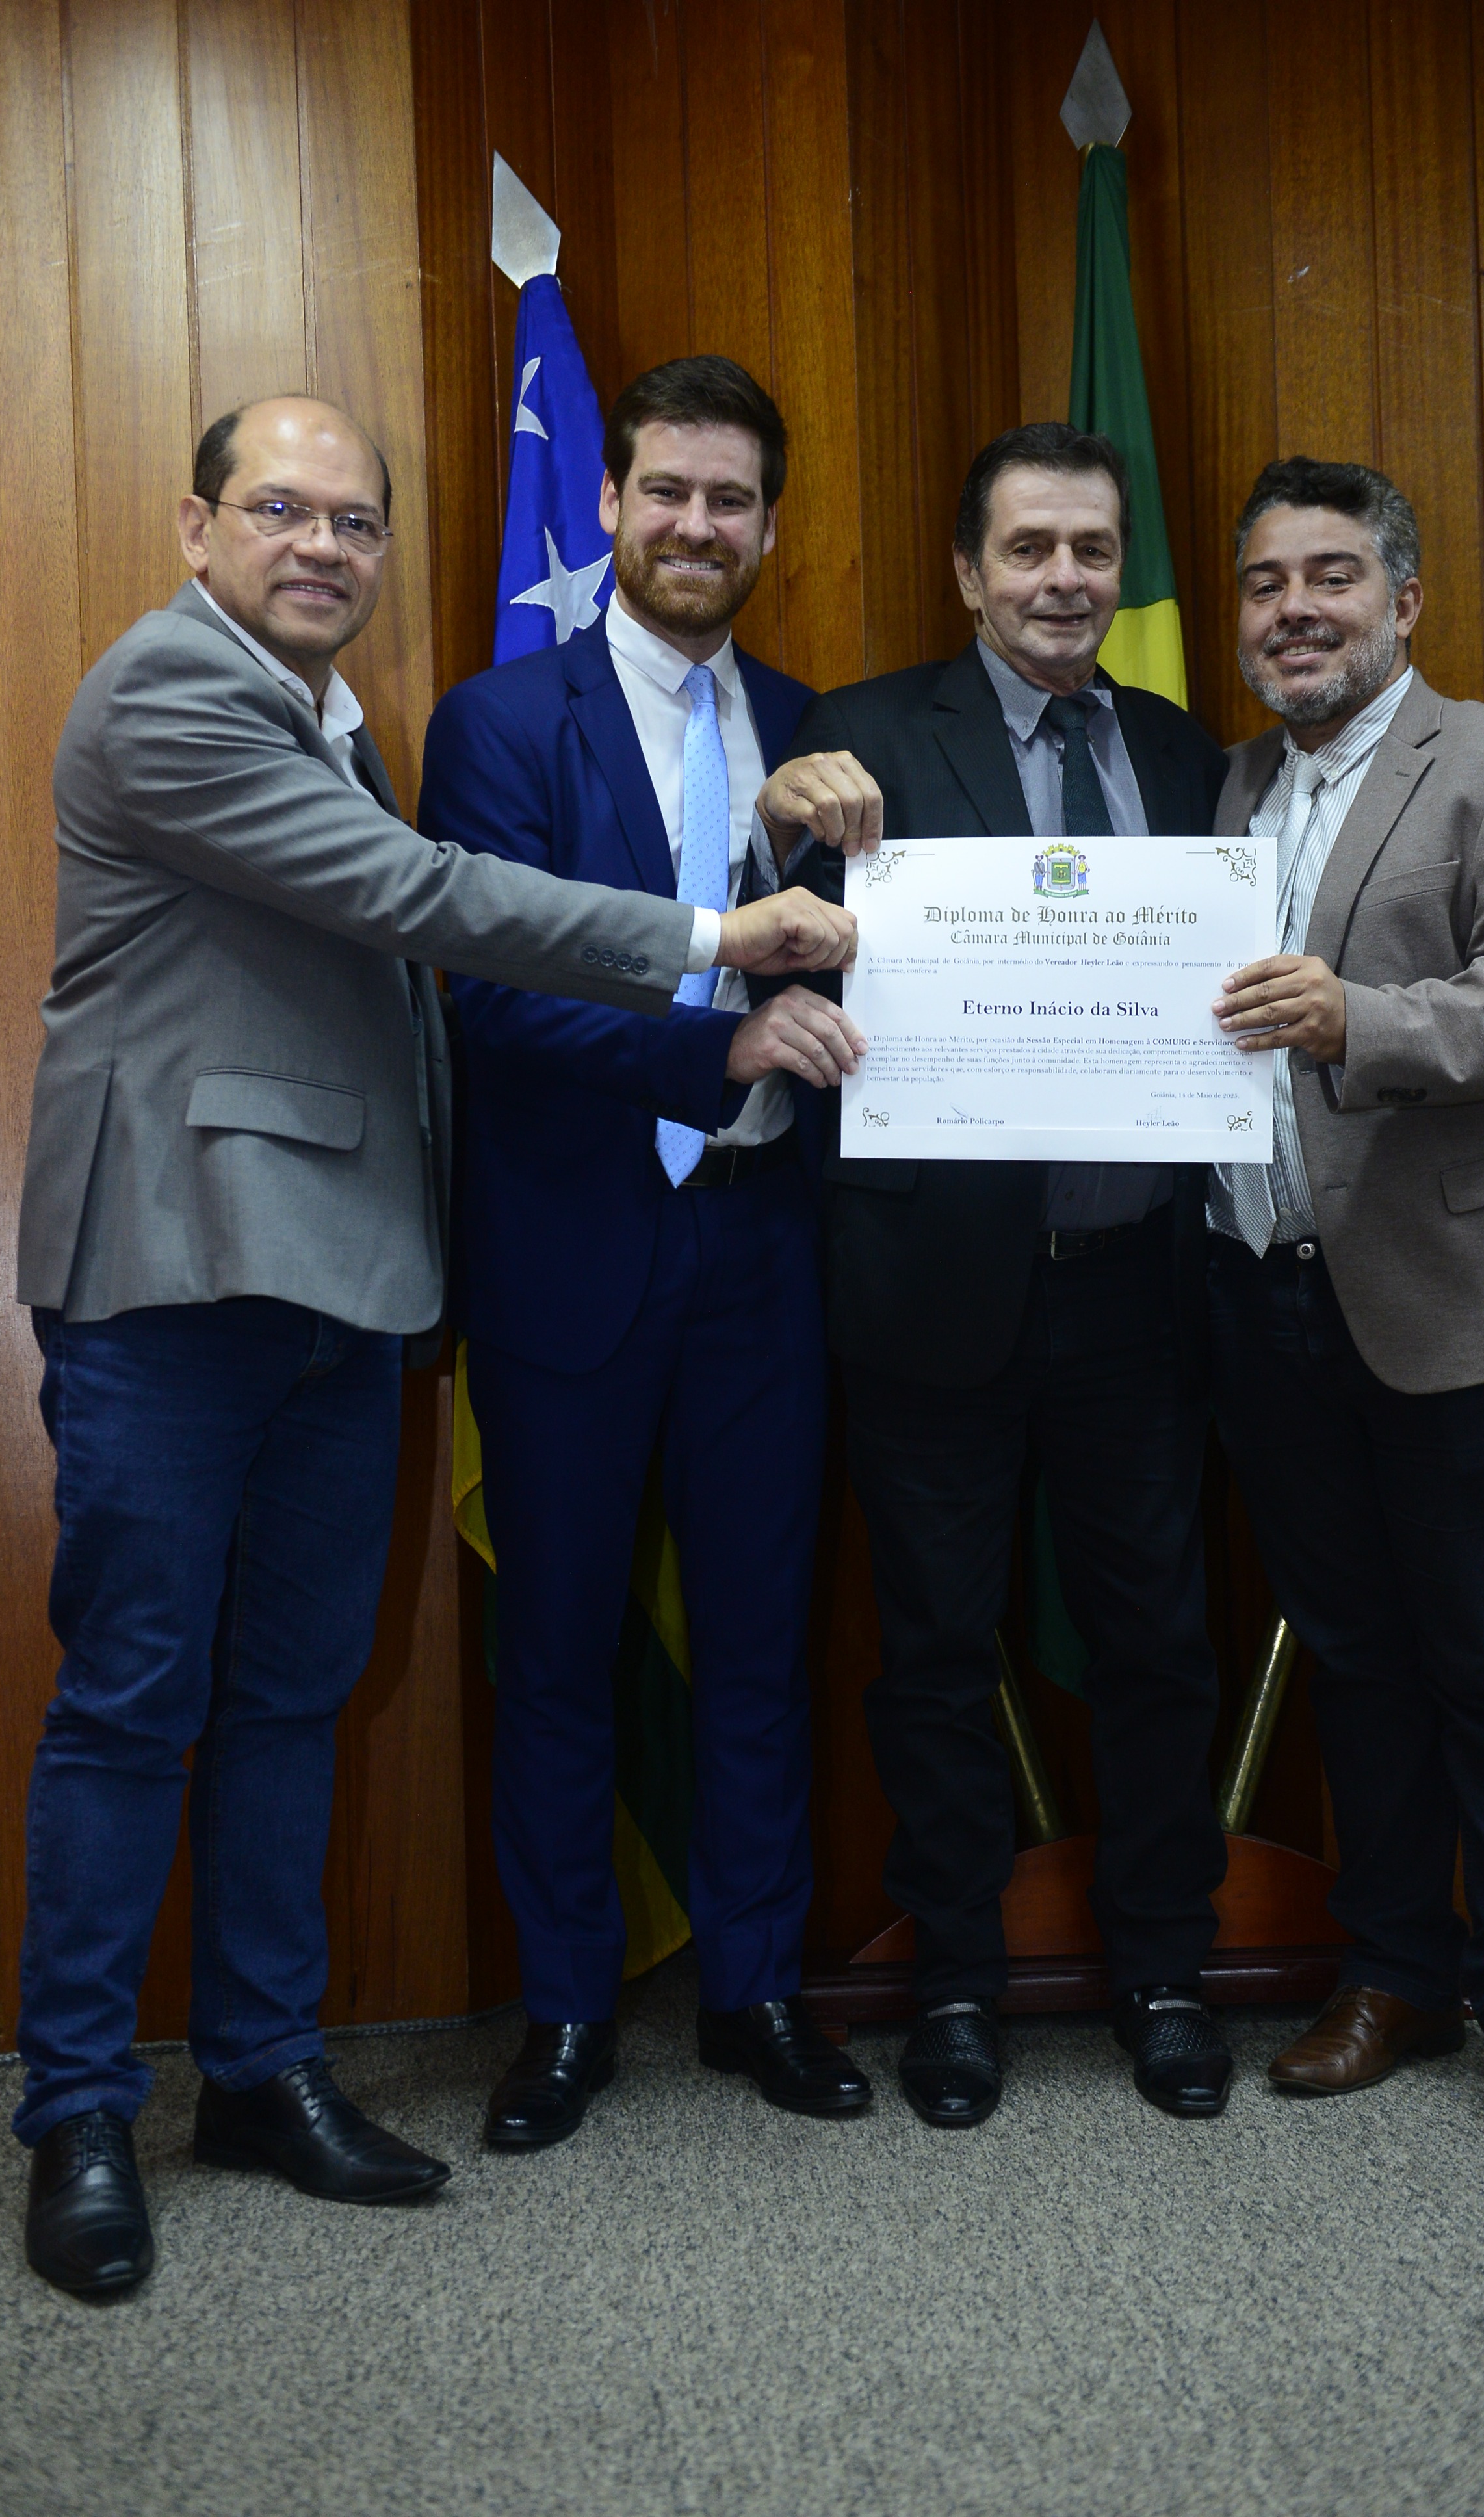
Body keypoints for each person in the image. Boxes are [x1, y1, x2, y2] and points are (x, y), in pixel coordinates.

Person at [13, 393, 855, 2301]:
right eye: (280, 510)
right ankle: (76, 2107)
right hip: (172, 1271)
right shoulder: (173, 693)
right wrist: (715, 938)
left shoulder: (332, 714)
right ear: (196, 527)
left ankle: (259, 2071)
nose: (322, 547)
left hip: (346, 1282)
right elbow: (419, 901)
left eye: (356, 523)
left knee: (292, 1698)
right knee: (135, 1702)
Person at [417, 356, 874, 2150]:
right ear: (607, 504)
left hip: (767, 1256)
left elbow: (888, 983)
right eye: (666, 490)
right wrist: (719, 1047)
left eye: (730, 498)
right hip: (569, 1258)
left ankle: (757, 1989)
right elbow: (493, 992)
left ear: (769, 527)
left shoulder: (825, 740)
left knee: (763, 1643)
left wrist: (862, 909)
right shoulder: (497, 724)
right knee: (555, 1655)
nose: (697, 524)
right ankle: (563, 2011)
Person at [765, 422, 1232, 2129]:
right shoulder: (860, 738)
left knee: (1158, 1643)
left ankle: (1164, 1971)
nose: (1063, 579)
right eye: (1028, 548)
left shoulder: (1186, 755)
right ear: (969, 572)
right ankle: (958, 1980)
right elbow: (758, 939)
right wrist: (779, 827)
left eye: (1092, 549)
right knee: (937, 1654)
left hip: (1138, 1288)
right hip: (932, 1288)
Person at [1204, 456, 1484, 2148]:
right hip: (1270, 1298)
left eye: (1330, 576)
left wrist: (1358, 1020)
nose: (1294, 610)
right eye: (1265, 585)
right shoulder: (1234, 786)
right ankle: (1395, 1972)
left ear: (1405, 599)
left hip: (1465, 1291)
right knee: (1360, 1660)